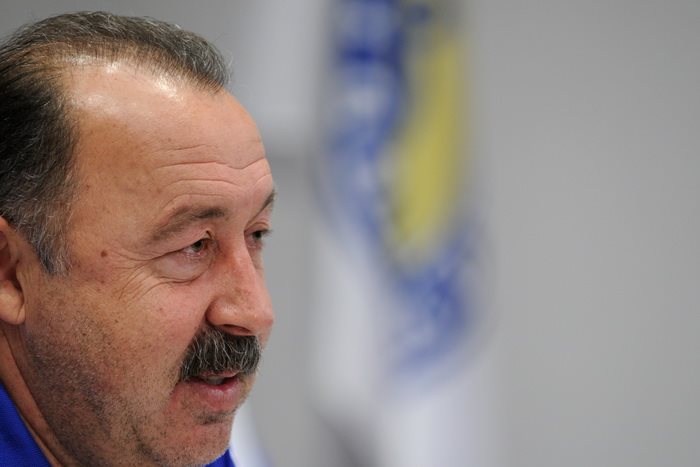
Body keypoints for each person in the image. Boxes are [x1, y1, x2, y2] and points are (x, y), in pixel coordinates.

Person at [0, 11, 275, 466]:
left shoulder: (160, 442)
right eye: (193, 246)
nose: (255, 312)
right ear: (10, 274)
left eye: (256, 234)